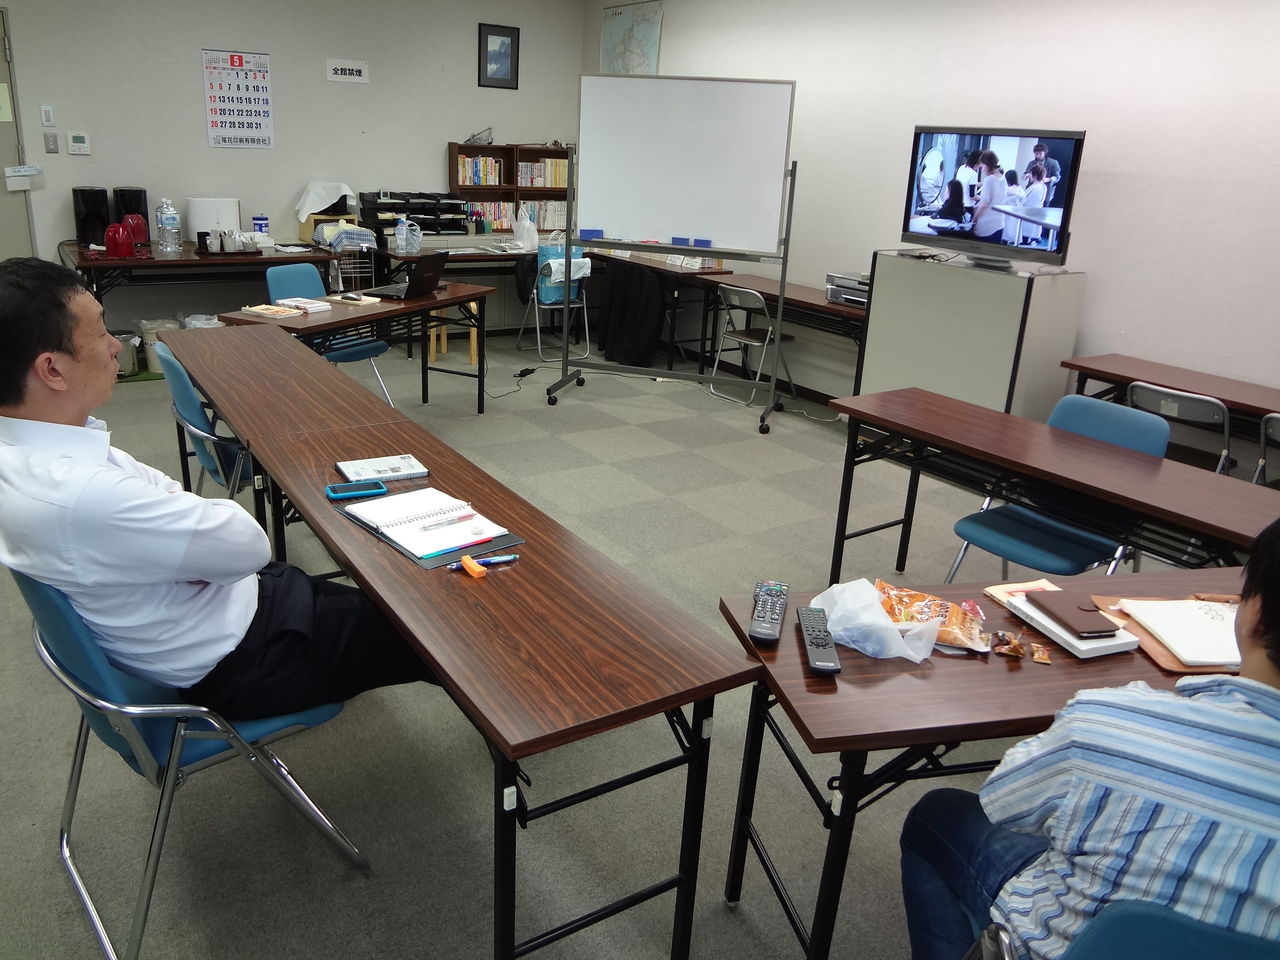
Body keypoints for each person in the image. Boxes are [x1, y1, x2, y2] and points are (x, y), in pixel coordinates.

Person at [0, 257, 435, 720]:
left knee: (392, 599)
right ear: (52, 369)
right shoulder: (82, 493)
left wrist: (185, 546)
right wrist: (195, 543)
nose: (115, 346)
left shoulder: (39, 451)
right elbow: (249, 545)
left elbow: (170, 495)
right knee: (438, 635)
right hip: (247, 654)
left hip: (232, 607)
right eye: (102, 333)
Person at [900, 515, 1280, 960]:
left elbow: (1004, 802)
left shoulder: (1112, 720)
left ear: (1253, 615)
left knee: (939, 813)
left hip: (1065, 942)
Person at [970, 150, 1007, 243]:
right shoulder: (1003, 178)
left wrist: (974, 219)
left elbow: (984, 203)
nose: (982, 169)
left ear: (987, 165)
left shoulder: (989, 180)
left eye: (982, 166)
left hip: (987, 224)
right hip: (999, 223)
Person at [1020, 163, 1048, 246]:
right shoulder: (1040, 186)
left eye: (1030, 174)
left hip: (1029, 216)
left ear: (1035, 176)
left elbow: (1031, 204)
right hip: (1031, 216)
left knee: (1025, 241)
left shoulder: (1037, 188)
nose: (1029, 176)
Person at [1001, 169, 1025, 245]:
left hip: (1007, 213)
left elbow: (1002, 200)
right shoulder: (1020, 189)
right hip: (1017, 213)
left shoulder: (1007, 190)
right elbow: (1023, 200)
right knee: (1015, 229)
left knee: (1007, 229)